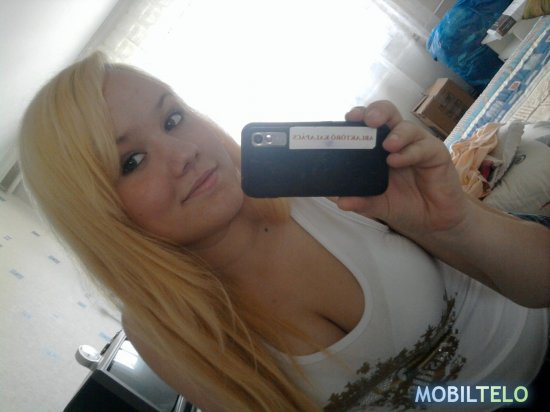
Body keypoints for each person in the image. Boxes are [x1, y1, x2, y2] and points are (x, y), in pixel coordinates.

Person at [18, 51, 549, 412]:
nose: (184, 154)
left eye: (174, 119)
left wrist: (457, 222)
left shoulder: (317, 183)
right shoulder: (166, 331)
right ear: (99, 214)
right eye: (131, 161)